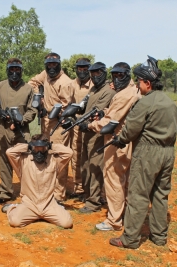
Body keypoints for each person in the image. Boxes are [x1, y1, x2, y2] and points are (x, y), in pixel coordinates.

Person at [109, 56, 177, 248]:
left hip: (149, 153)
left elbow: (131, 128)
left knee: (138, 195)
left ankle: (130, 239)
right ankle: (159, 236)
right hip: (168, 152)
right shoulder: (170, 103)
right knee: (160, 195)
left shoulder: (146, 102)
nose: (138, 85)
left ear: (148, 82)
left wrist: (120, 140)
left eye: (139, 81)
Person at [87, 62, 141, 230]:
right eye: (115, 75)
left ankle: (114, 221)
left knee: (113, 180)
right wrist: (104, 114)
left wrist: (89, 126)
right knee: (125, 180)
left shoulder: (125, 94)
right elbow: (114, 115)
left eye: (120, 76)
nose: (117, 79)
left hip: (116, 140)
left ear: (128, 75)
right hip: (129, 140)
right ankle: (124, 213)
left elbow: (109, 123)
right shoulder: (133, 90)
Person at [2, 134, 73, 228]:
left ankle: (53, 210)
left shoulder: (54, 160)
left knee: (66, 223)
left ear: (47, 149)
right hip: (29, 204)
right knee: (15, 222)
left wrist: (52, 146)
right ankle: (12, 208)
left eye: (42, 149)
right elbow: (9, 152)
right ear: (32, 148)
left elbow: (69, 153)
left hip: (48, 204)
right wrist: (27, 146)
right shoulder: (23, 160)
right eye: (36, 148)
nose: (39, 153)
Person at [28, 52, 72, 204]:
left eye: (54, 65)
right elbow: (32, 82)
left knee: (58, 156)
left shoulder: (65, 82)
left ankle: (59, 194)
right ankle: (48, 189)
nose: (51, 68)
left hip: (58, 124)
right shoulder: (45, 75)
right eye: (48, 66)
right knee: (45, 154)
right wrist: (38, 96)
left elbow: (67, 108)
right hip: (45, 123)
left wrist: (54, 111)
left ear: (59, 64)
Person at [0, 58, 36, 204]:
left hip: (21, 130)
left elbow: (33, 110)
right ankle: (5, 192)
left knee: (25, 160)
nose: (14, 72)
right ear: (7, 70)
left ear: (21, 70)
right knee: (4, 159)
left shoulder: (28, 89)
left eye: (17, 69)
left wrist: (22, 120)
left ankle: (28, 191)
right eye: (12, 69)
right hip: (3, 128)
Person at [74, 62, 115, 213]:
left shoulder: (108, 92)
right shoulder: (93, 89)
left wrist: (83, 122)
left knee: (95, 167)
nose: (95, 76)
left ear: (104, 73)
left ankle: (94, 202)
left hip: (97, 134)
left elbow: (95, 112)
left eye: (98, 73)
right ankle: (87, 194)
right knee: (84, 165)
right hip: (86, 133)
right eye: (93, 73)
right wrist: (74, 115)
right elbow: (84, 107)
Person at [67, 58, 93, 200]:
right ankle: (79, 188)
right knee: (76, 156)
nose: (82, 71)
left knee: (89, 157)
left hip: (91, 126)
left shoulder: (95, 84)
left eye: (85, 69)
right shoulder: (72, 84)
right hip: (76, 126)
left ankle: (91, 189)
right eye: (79, 68)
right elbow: (67, 102)